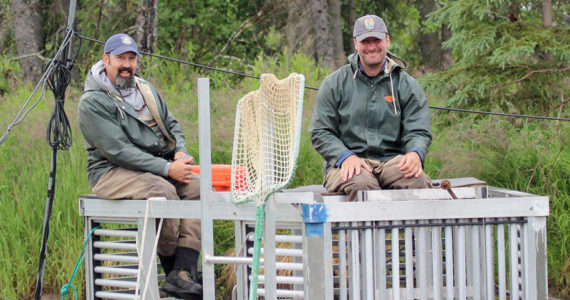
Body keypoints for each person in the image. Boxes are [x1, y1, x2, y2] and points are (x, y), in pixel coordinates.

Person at [77, 33, 202, 299]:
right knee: (163, 192)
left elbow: (173, 124)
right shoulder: (92, 101)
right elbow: (118, 151)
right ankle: (172, 269)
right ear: (106, 60)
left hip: (154, 166)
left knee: (197, 187)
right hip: (111, 172)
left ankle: (184, 270)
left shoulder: (144, 88)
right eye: (120, 58)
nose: (126, 64)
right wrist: (167, 170)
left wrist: (180, 152)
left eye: (131, 58)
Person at [310, 15, 432, 201]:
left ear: (387, 41)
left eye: (377, 40)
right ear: (356, 43)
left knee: (419, 181)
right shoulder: (334, 83)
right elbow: (320, 131)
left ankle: (410, 230)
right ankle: (360, 231)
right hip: (347, 164)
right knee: (362, 185)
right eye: (365, 41)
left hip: (392, 162)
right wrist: (345, 156)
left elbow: (419, 130)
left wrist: (416, 153)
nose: (372, 47)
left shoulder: (407, 84)